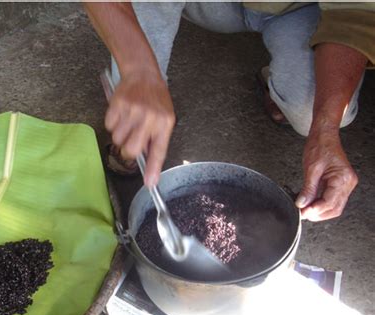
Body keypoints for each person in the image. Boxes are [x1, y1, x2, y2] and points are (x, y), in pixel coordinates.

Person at [84, 2, 374, 221]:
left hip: (300, 8)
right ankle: (141, 99)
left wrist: (325, 130)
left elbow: (352, 11)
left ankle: (276, 83)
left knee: (312, 112)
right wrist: (140, 71)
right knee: (135, 104)